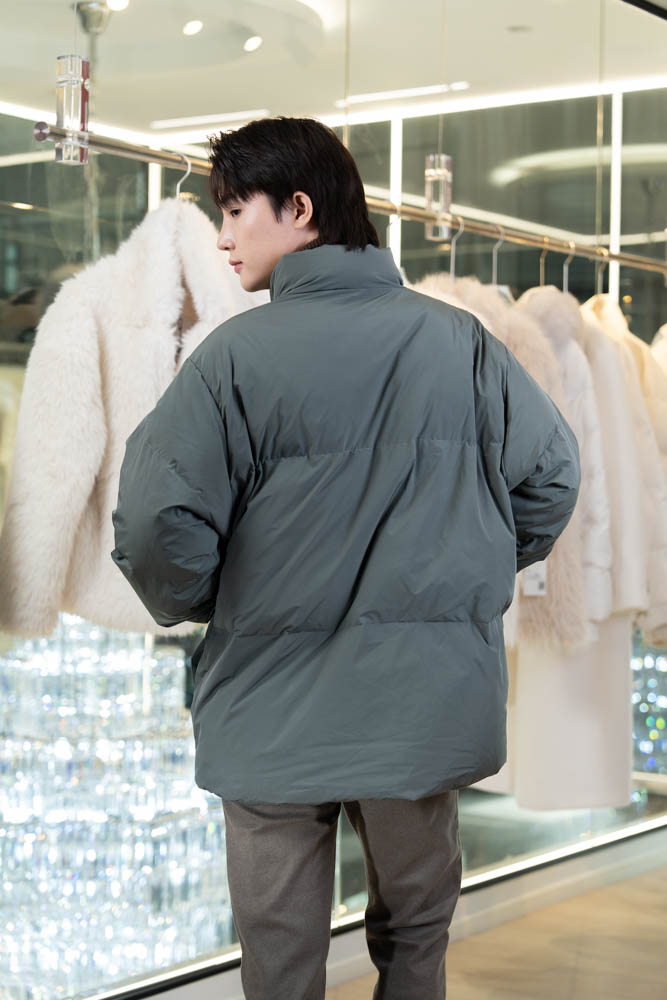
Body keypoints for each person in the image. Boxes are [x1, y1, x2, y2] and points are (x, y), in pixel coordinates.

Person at [111, 116, 580, 1000]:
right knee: (415, 939)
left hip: (269, 711)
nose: (222, 236)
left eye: (235, 210)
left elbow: (153, 521)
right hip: (421, 706)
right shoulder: (461, 344)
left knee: (279, 959)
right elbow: (551, 480)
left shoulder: (231, 358)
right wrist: (461, 570)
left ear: (299, 208)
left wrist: (216, 597)